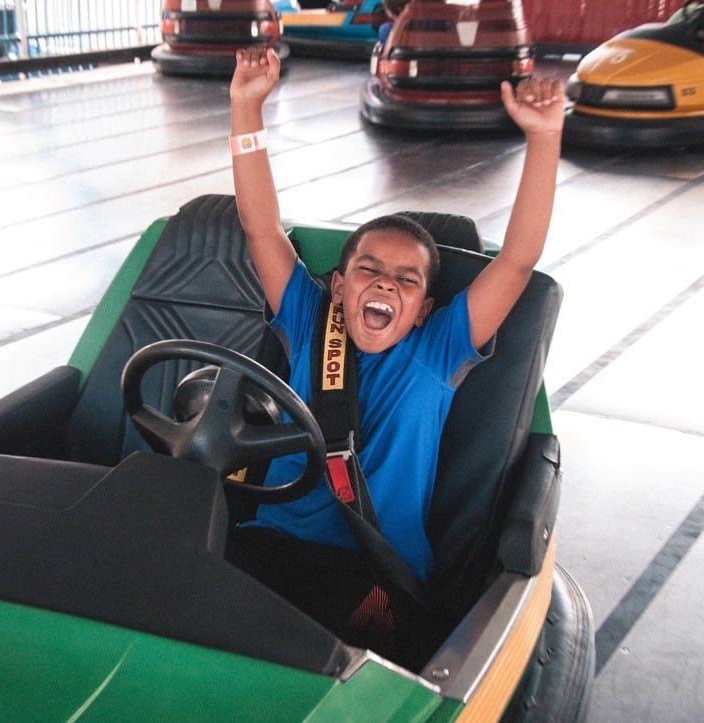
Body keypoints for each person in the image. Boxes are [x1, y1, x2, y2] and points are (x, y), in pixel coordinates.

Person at [225, 45, 564, 667]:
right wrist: (246, 106)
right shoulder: (307, 318)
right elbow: (260, 228)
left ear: (425, 308)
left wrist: (545, 138)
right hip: (267, 546)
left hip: (366, 572)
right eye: (369, 270)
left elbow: (516, 259)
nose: (385, 285)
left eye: (406, 281)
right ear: (338, 285)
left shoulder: (438, 350)